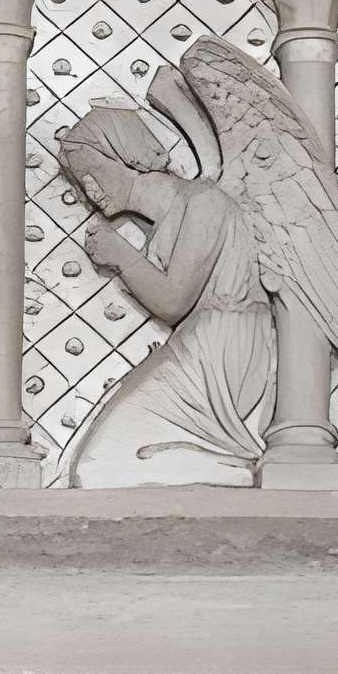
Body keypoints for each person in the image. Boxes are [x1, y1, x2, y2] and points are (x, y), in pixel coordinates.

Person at [56, 105, 274, 488]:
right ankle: (225, 466)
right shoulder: (167, 222)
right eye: (79, 177)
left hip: (222, 344)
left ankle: (239, 469)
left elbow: (173, 300)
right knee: (98, 465)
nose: (88, 186)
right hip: (198, 342)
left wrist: (121, 256)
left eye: (91, 169)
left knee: (97, 466)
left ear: (125, 156)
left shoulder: (206, 202)